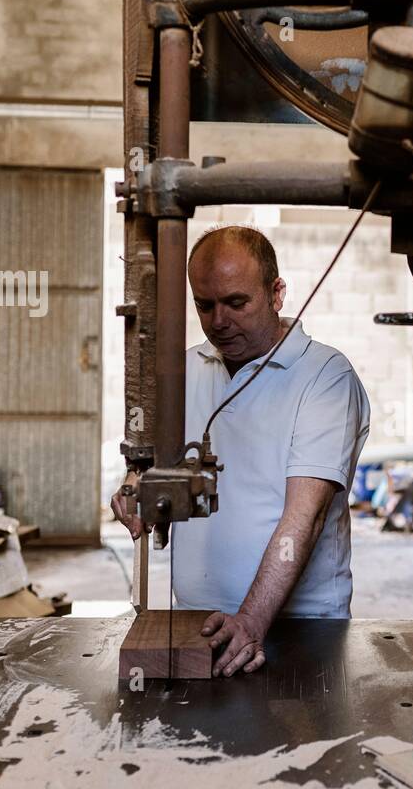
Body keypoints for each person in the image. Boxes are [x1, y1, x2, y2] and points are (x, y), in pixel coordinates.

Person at [112, 226, 370, 677]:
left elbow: (303, 519)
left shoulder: (324, 377)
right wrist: (136, 491)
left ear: (277, 293)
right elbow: (153, 467)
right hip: (195, 623)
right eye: (204, 305)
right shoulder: (183, 369)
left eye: (236, 303)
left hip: (302, 630)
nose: (218, 321)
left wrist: (251, 621)